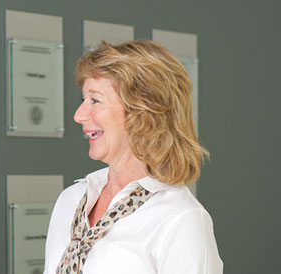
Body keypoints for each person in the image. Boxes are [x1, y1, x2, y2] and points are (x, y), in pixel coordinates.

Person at [43, 40, 223, 274]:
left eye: (95, 100)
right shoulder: (71, 200)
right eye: (83, 100)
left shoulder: (182, 219)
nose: (78, 115)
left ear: (142, 110)